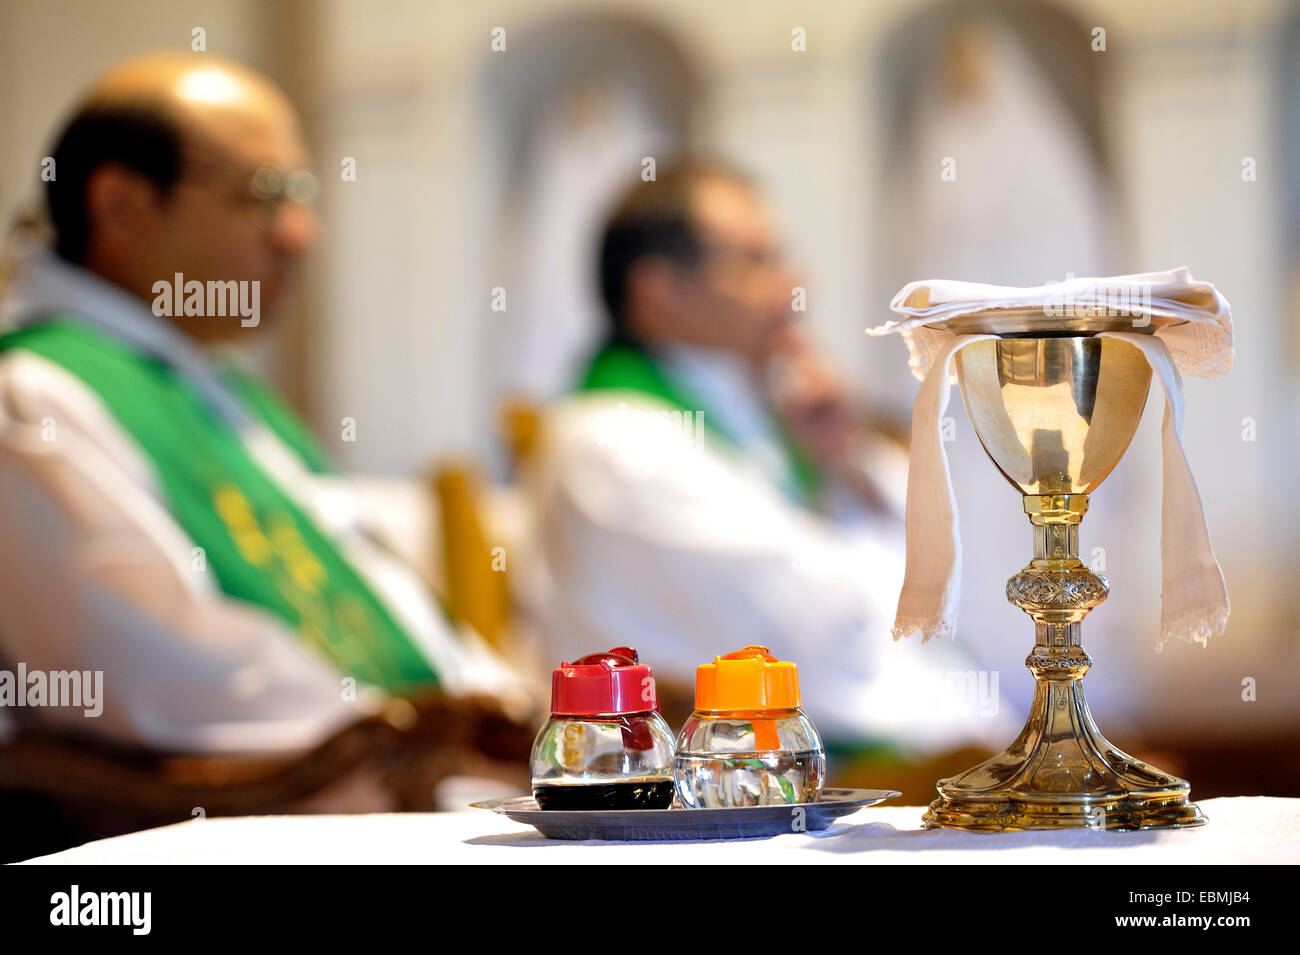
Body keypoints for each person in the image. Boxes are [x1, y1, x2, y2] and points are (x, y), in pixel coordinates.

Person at [0, 52, 531, 759]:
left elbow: (382, 593)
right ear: (121, 208)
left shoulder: (216, 386)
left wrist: (509, 714)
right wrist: (421, 746)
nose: (299, 233)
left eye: (302, 194)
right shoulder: (34, 394)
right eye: (263, 194)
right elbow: (147, 664)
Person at [523, 160, 1016, 756]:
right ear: (661, 293)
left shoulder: (752, 405)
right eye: (756, 262)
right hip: (709, 784)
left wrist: (843, 462)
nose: (793, 286)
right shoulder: (614, 444)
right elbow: (825, 632)